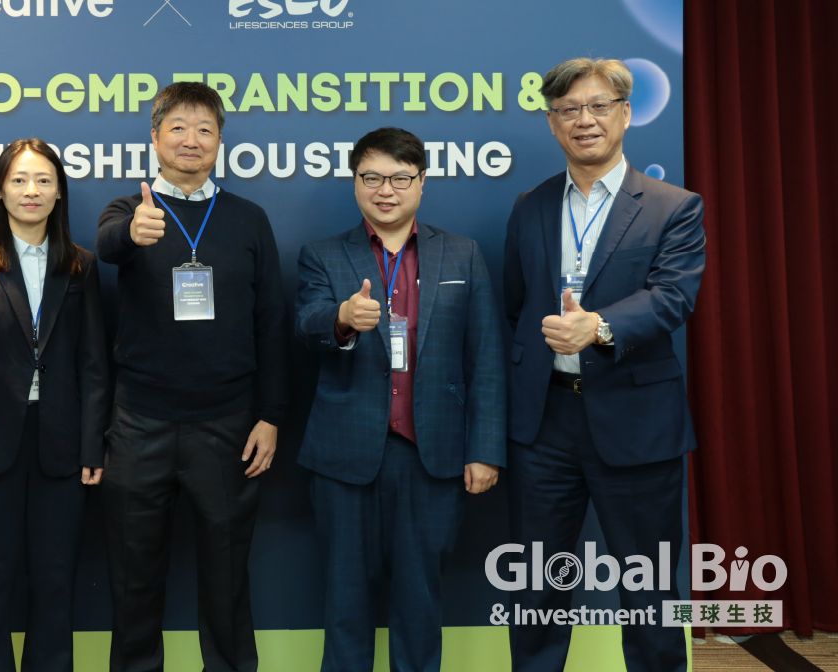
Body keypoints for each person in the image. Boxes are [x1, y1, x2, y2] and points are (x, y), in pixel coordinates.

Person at [504, 57, 705, 672]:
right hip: (545, 424)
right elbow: (516, 303)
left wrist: (600, 326)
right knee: (537, 585)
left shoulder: (673, 206)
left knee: (648, 588)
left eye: (597, 106)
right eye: (568, 109)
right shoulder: (531, 205)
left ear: (625, 114)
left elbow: (673, 297)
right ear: (552, 122)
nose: (583, 120)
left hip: (637, 420)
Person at [295, 127, 505, 672]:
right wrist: (342, 318)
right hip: (344, 460)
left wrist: (484, 450)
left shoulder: (462, 254)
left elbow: (485, 356)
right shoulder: (323, 255)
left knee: (420, 605)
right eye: (371, 177)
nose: (385, 190)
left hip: (430, 456)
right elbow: (307, 323)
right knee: (344, 607)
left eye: (399, 178)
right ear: (354, 182)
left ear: (422, 182)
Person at [96, 81, 288, 672]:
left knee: (227, 577)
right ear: (155, 138)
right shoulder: (128, 210)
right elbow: (107, 246)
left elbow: (271, 322)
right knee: (133, 577)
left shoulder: (248, 219)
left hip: (227, 425)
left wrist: (270, 415)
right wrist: (132, 234)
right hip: (140, 423)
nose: (191, 140)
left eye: (205, 129)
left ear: (219, 142)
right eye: (177, 127)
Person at [0, 138, 109, 672]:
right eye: (19, 180)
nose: (31, 191)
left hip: (60, 442)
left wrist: (93, 444)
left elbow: (94, 361)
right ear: (0, 191)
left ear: (59, 194)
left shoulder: (79, 265)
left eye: (44, 181)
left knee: (55, 582)